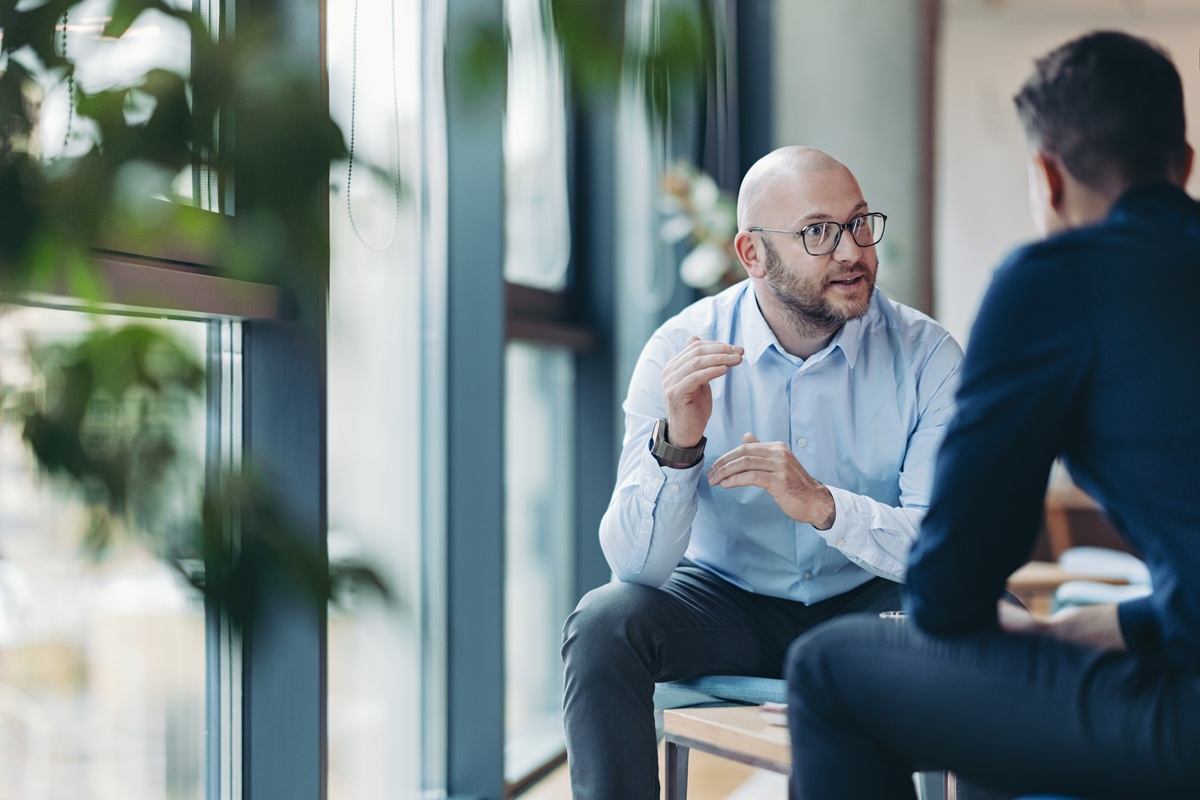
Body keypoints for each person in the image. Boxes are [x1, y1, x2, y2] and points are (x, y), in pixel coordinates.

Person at [785, 31, 1200, 799]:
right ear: (1184, 164)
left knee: (828, 671)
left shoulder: (1057, 279)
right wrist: (1096, 628)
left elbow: (949, 593)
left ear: (1046, 176)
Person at [560, 146, 964, 800]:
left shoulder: (928, 358)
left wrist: (824, 506)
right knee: (605, 624)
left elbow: (945, 551)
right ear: (752, 255)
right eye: (818, 232)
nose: (852, 251)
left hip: (870, 604)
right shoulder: (678, 350)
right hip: (728, 606)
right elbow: (636, 570)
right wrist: (680, 443)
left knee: (990, 624)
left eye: (860, 223)